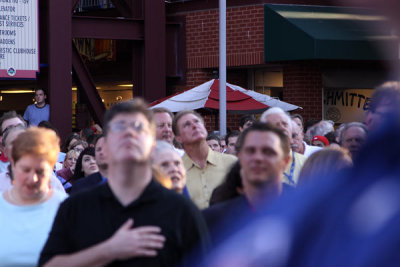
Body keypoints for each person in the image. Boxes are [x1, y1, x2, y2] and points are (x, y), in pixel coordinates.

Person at [39, 99, 210, 266]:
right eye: (120, 128)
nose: (129, 133)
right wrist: (108, 250)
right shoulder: (76, 207)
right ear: (104, 147)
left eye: (138, 128)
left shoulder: (180, 210)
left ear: (152, 146)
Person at [203, 123, 292, 245]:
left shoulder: (309, 212)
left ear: (286, 161)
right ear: (239, 157)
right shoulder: (213, 221)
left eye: (268, 151)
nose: (258, 158)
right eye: (250, 151)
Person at [0, 127, 67, 266]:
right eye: (26, 170)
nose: (33, 178)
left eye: (40, 171)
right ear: (13, 164)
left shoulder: (65, 207)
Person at [172, 110, 237, 209]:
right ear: (178, 138)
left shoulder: (232, 163)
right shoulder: (176, 171)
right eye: (187, 125)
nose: (194, 126)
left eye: (197, 122)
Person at [260, 107, 307, 186]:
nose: (282, 128)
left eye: (285, 124)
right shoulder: (253, 163)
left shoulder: (305, 164)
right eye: (276, 125)